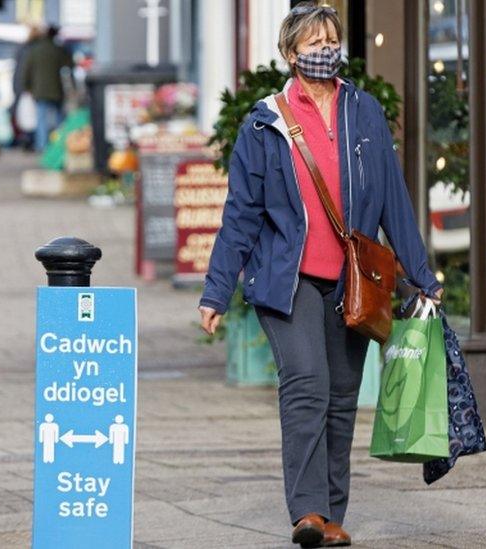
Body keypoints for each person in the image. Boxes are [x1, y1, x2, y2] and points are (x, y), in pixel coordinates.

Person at [197, 3, 444, 547]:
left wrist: (422, 275)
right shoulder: (265, 123)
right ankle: (307, 511)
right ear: (290, 54)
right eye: (313, 43)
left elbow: (393, 201)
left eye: (331, 40)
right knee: (306, 384)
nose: (325, 50)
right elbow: (241, 214)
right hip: (288, 279)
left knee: (340, 395)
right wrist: (217, 291)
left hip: (353, 280)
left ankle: (332, 515)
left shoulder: (365, 112)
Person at [20, 24, 74, 151]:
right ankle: (61, 146)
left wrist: (27, 87)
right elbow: (69, 65)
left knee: (41, 121)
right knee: (59, 120)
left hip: (39, 91)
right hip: (56, 90)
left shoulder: (35, 50)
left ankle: (42, 147)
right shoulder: (58, 49)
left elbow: (27, 70)